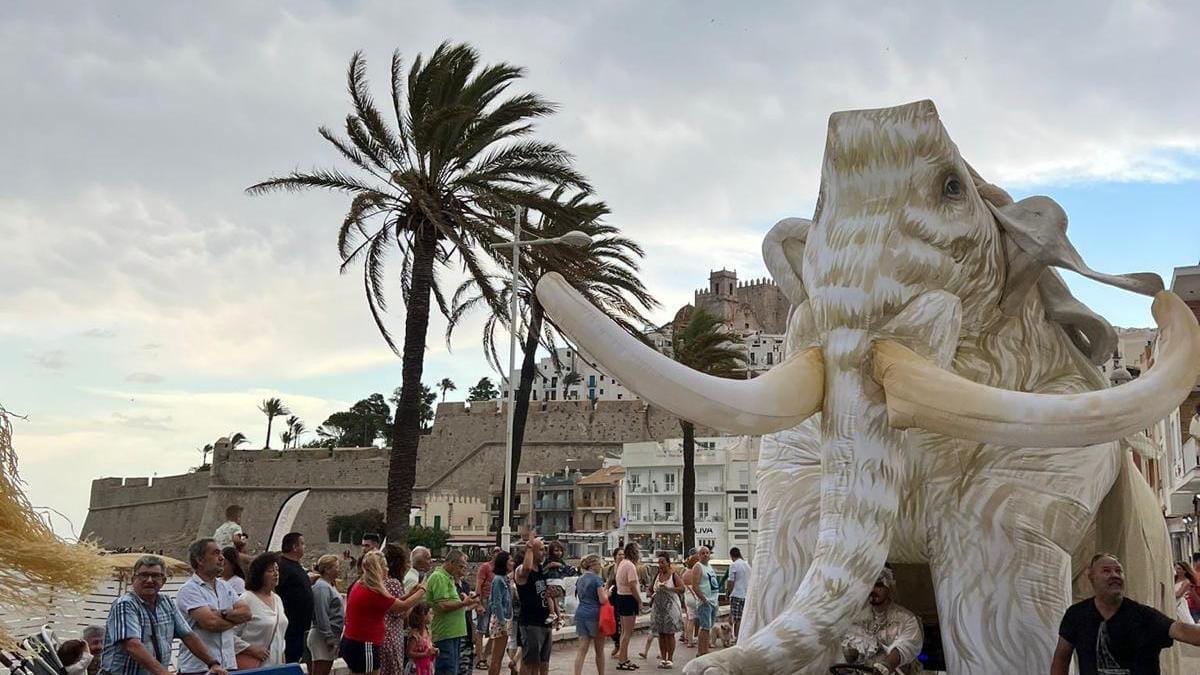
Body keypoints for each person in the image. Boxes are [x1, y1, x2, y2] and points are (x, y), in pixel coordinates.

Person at [1052, 553, 1200, 674]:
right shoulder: (1076, 615)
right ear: (1091, 577)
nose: (1114, 575)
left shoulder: (1144, 616)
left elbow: (1180, 630)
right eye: (1106, 571)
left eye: (1118, 571)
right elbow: (1061, 658)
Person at [100, 554, 230, 675]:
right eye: (144, 575)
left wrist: (213, 663)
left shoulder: (166, 602)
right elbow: (133, 645)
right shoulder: (125, 604)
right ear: (134, 579)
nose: (149, 580)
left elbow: (188, 635)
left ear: (164, 580)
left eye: (156, 576)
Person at [342, 551, 427, 675]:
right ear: (379, 569)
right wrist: (423, 589)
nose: (387, 569)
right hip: (365, 644)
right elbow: (402, 607)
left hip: (354, 642)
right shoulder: (373, 591)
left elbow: (391, 603)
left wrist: (410, 594)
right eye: (385, 566)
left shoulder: (362, 584)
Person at [175, 538, 251, 675]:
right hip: (198, 669)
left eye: (221, 554)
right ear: (199, 560)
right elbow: (211, 623)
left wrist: (221, 613)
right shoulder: (189, 590)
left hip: (227, 666)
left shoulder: (225, 587)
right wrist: (234, 618)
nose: (222, 558)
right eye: (215, 553)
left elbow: (247, 614)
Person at [839, 568, 922, 675]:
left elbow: (906, 647)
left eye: (878, 585)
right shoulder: (857, 617)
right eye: (869, 584)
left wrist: (886, 666)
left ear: (889, 587)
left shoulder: (906, 619)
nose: (873, 589)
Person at [428, 549, 483, 675]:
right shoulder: (439, 577)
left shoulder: (449, 578)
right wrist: (464, 603)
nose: (462, 570)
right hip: (446, 633)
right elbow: (443, 605)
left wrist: (468, 603)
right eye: (460, 566)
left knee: (454, 669)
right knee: (447, 670)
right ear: (451, 563)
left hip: (454, 633)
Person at [233, 552, 289, 667]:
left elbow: (280, 635)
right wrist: (251, 649)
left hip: (276, 665)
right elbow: (230, 635)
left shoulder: (277, 599)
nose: (275, 574)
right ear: (259, 574)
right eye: (270, 571)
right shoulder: (246, 599)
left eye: (277, 570)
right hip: (254, 665)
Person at [514, 536, 554, 675]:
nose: (544, 552)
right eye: (541, 549)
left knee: (544, 663)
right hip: (531, 623)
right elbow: (526, 568)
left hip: (545, 622)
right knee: (530, 663)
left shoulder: (542, 570)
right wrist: (529, 548)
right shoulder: (523, 570)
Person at [276, 532, 315, 663]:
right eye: (302, 544)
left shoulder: (295, 565)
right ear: (294, 547)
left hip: (300, 628)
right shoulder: (282, 566)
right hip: (290, 628)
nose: (305, 547)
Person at [380, 544, 415, 675]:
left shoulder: (380, 583)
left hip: (381, 637)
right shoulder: (393, 583)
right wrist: (415, 598)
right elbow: (401, 612)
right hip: (392, 637)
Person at [309, 554, 346, 675]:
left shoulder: (329, 585)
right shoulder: (321, 587)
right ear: (327, 569)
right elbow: (321, 613)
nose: (338, 570)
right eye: (336, 567)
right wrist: (329, 637)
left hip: (329, 635)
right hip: (323, 637)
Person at [571, 555, 608, 675]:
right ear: (593, 565)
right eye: (599, 564)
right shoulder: (597, 579)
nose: (601, 566)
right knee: (599, 650)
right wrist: (608, 593)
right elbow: (602, 599)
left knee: (582, 649)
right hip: (595, 615)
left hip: (581, 613)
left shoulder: (580, 579)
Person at [648, 553, 684, 669]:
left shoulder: (673, 575)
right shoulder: (657, 575)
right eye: (659, 562)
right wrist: (650, 594)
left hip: (671, 607)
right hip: (658, 608)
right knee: (661, 634)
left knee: (669, 634)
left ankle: (670, 658)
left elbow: (682, 588)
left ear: (668, 563)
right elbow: (649, 589)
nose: (660, 565)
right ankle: (663, 658)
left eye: (662, 562)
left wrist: (669, 588)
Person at [613, 541, 643, 670]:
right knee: (627, 632)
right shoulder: (630, 565)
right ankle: (622, 660)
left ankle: (624, 658)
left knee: (624, 632)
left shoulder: (622, 564)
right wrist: (639, 601)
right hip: (628, 599)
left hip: (621, 597)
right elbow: (632, 585)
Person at [486, 551, 514, 675]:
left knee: (500, 655)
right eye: (510, 560)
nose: (512, 563)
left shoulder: (504, 579)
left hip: (505, 618)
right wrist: (502, 622)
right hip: (500, 620)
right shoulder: (498, 580)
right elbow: (496, 602)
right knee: (496, 657)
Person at [689, 547, 720, 657]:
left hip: (713, 601)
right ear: (698, 555)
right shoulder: (698, 567)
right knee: (705, 627)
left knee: (709, 627)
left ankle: (705, 649)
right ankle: (701, 651)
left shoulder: (709, 566)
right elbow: (695, 585)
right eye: (703, 553)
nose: (706, 555)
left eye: (707, 553)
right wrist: (703, 599)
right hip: (705, 602)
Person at [475, 548, 500, 671]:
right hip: (485, 599)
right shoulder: (485, 567)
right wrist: (478, 603)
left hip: (496, 602)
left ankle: (485, 656)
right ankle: (480, 658)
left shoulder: (502, 570)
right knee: (481, 629)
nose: (497, 554)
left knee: (493, 631)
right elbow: (478, 584)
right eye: (495, 552)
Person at [726, 547, 750, 641]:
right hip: (746, 595)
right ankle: (742, 637)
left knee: (736, 619)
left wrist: (728, 592)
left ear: (731, 555)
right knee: (743, 618)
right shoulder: (747, 565)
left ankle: (736, 637)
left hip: (737, 594)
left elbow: (731, 581)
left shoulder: (734, 565)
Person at [604, 548, 626, 656]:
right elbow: (608, 582)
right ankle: (617, 643)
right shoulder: (611, 568)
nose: (621, 556)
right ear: (615, 556)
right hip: (613, 596)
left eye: (623, 554)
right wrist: (605, 591)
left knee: (621, 622)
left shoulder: (627, 567)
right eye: (619, 554)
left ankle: (621, 647)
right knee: (613, 620)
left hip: (624, 595)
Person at [407, 603, 437, 675]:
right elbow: (409, 653)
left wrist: (433, 651)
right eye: (430, 613)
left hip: (427, 666)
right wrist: (424, 654)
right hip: (417, 667)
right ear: (424, 616)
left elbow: (428, 646)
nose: (432, 615)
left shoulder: (428, 631)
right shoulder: (415, 635)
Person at [679, 554, 700, 649]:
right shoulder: (695, 572)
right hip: (695, 596)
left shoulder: (685, 573)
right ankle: (694, 639)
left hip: (687, 597)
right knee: (697, 619)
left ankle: (688, 639)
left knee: (689, 619)